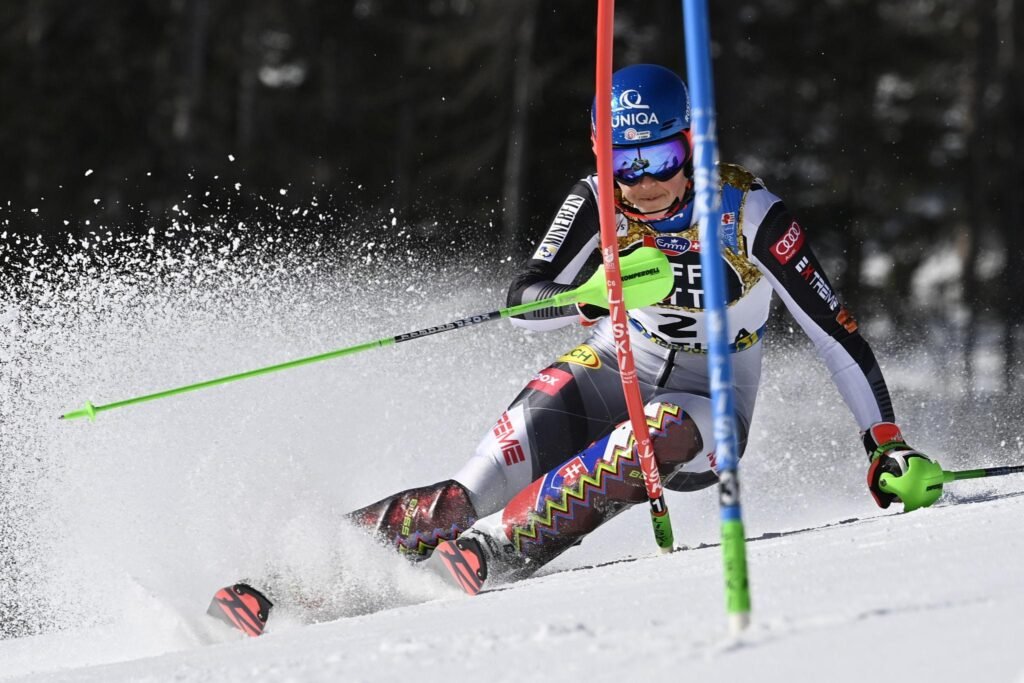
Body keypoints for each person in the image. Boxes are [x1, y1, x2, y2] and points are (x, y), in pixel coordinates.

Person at [209, 64, 932, 633]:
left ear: (692, 145)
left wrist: (884, 445)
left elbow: (836, 335)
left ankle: (497, 547)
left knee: (655, 432)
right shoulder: (597, 201)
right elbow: (525, 300)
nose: (646, 182)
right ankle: (280, 587)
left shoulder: (749, 214)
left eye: (663, 157)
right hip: (612, 364)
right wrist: (587, 295)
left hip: (708, 403)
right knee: (461, 496)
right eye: (626, 163)